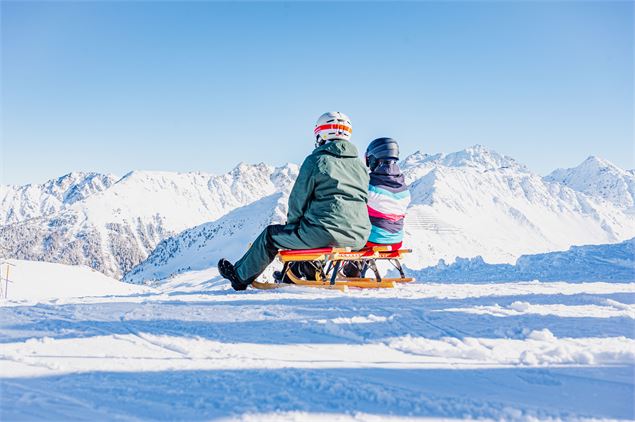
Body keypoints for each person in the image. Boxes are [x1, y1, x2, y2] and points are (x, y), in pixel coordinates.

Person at [218, 112, 371, 290]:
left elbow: (298, 199)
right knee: (311, 228)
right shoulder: (360, 165)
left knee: (270, 235)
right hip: (359, 237)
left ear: (322, 134)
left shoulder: (317, 160)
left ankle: (239, 276)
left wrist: (293, 225)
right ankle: (304, 269)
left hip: (324, 234)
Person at [364, 137, 410, 250]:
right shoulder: (404, 188)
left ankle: (351, 268)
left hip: (373, 241)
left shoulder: (369, 185)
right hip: (396, 242)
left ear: (374, 159)